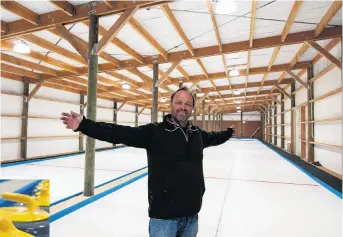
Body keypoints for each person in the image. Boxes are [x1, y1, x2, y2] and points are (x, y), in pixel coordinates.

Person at [60, 87, 235, 237]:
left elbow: (215, 137)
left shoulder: (198, 134)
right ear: (171, 105)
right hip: (164, 219)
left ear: (193, 108)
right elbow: (119, 132)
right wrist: (84, 125)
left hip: (191, 217)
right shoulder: (155, 132)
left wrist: (228, 132)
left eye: (188, 104)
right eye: (179, 102)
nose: (183, 107)